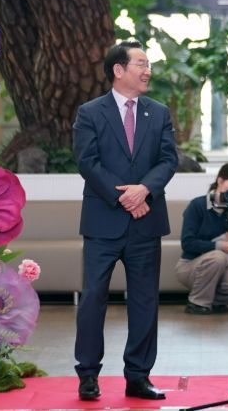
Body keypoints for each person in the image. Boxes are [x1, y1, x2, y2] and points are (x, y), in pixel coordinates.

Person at [73, 41, 178, 401]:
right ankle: (88, 375)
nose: (148, 71)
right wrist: (125, 197)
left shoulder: (158, 113)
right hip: (103, 221)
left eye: (148, 65)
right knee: (93, 298)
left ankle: (138, 376)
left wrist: (144, 190)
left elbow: (168, 160)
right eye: (141, 64)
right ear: (118, 70)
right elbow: (87, 162)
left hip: (146, 223)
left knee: (145, 301)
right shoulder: (90, 112)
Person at [175, 162, 228, 315]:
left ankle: (216, 303)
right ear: (220, 180)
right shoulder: (197, 205)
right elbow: (187, 243)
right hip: (190, 266)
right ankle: (197, 303)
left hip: (221, 267)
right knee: (218, 257)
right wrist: (221, 244)